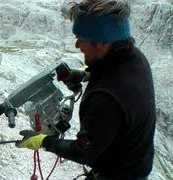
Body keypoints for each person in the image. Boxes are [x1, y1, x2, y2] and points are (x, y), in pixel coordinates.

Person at [15, 0, 156, 179]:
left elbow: (84, 152)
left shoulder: (106, 99)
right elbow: (111, 71)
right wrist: (83, 75)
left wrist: (44, 141)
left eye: (82, 38)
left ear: (103, 43)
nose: (77, 45)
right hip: (134, 164)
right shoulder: (134, 57)